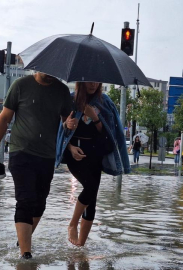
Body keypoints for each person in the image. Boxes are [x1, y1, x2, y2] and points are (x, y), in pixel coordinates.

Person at [0, 72, 72, 259]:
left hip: (47, 155)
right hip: (21, 151)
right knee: (26, 200)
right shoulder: (20, 85)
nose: (50, 75)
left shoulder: (62, 91)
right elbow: (4, 118)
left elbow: (66, 122)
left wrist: (70, 124)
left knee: (40, 204)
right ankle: (25, 254)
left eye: (53, 72)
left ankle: (22, 240)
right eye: (46, 71)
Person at [55, 82, 131, 247]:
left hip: (95, 155)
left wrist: (95, 117)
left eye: (96, 81)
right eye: (89, 81)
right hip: (75, 154)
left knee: (92, 198)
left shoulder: (104, 101)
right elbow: (60, 130)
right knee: (89, 187)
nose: (92, 84)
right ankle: (73, 223)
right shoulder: (70, 100)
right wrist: (68, 138)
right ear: (81, 82)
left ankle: (80, 246)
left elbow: (108, 134)